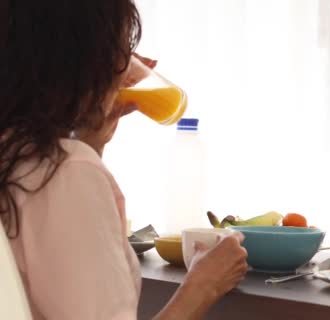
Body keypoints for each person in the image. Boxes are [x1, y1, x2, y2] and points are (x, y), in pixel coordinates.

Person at [1, 0, 248, 319]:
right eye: (121, 48)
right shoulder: (68, 172)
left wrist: (90, 139)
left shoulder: (19, 155)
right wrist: (203, 285)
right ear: (87, 62)